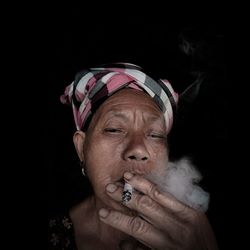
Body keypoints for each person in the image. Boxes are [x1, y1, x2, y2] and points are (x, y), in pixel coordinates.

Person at [48, 62, 219, 249]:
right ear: (81, 148)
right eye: (114, 129)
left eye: (155, 135)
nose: (138, 150)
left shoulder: (197, 237)